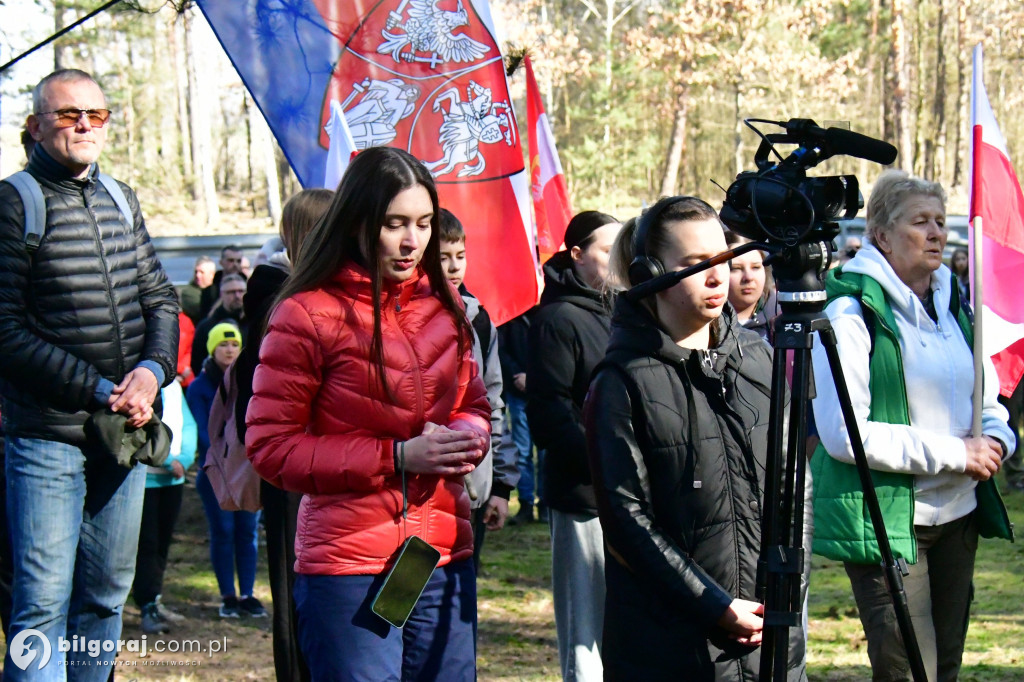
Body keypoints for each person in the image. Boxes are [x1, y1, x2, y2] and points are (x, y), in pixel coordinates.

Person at [245, 146, 490, 681]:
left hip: (437, 554)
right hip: (347, 565)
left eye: (424, 223)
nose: (412, 241)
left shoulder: (446, 305)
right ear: (356, 221)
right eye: (394, 223)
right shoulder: (306, 312)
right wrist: (396, 455)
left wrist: (468, 436)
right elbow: (271, 448)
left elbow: (474, 403)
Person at [0, 68, 179, 677]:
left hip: (122, 437)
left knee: (106, 598)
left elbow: (161, 298)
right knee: (41, 607)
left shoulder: (122, 198)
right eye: (67, 115)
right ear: (34, 127)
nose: (83, 125)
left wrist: (153, 373)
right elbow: (4, 332)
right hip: (46, 437)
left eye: (95, 115)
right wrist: (103, 389)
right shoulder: (13, 201)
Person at [810, 170, 1014, 682]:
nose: (937, 234)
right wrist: (956, 453)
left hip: (959, 517)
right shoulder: (849, 312)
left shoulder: (959, 306)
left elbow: (987, 402)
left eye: (941, 222)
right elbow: (842, 434)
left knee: (944, 668)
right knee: (908, 672)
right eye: (920, 222)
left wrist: (995, 440)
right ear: (881, 234)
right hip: (890, 521)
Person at [583, 196, 795, 681]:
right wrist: (715, 606)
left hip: (770, 635)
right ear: (650, 273)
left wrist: (789, 593)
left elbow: (790, 484)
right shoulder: (620, 381)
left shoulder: (758, 361)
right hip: (668, 645)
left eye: (722, 258)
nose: (719, 277)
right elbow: (626, 521)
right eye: (696, 265)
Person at [232, 187, 333, 682]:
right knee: (296, 586)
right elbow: (258, 392)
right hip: (294, 467)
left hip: (333, 462)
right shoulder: (278, 298)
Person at [527, 209, 621, 682]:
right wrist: (604, 463)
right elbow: (549, 412)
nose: (617, 261)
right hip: (582, 495)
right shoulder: (558, 318)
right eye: (608, 251)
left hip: (630, 498)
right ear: (578, 254)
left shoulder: (626, 311)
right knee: (585, 631)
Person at [438, 208, 519, 570]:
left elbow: (494, 403)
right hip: (418, 491)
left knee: (459, 598)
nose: (455, 267)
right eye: (442, 258)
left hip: (472, 491)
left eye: (460, 256)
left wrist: (500, 485)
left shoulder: (480, 320)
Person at [186, 322, 266, 619]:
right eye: (223, 344)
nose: (230, 349)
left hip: (246, 469)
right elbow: (204, 431)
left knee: (247, 532)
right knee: (223, 531)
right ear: (212, 348)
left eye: (234, 344)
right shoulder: (199, 387)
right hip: (215, 472)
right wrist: (228, 453)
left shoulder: (249, 380)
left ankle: (247, 593)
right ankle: (227, 595)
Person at [132, 379, 197, 634]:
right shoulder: (141, 382)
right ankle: (145, 602)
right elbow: (143, 428)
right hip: (146, 479)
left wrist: (184, 458)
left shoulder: (174, 387)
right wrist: (168, 460)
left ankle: (155, 599)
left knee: (162, 543)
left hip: (173, 481)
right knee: (146, 544)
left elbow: (188, 424)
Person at [498, 309, 543, 524]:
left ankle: (544, 503)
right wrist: (517, 376)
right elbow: (502, 350)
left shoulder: (547, 315)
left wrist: (534, 377)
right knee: (522, 451)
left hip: (544, 393)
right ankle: (526, 503)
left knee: (544, 452)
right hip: (517, 392)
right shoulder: (509, 318)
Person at [191, 273, 248, 377]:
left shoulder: (255, 323)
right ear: (222, 294)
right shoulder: (206, 326)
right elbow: (196, 363)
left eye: (241, 291)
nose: (237, 296)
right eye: (231, 292)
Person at [724, 231, 770, 340]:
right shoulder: (704, 325)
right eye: (736, 268)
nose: (748, 277)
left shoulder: (781, 317)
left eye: (755, 267)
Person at [199, 245, 247, 319]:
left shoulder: (250, 288)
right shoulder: (209, 291)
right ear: (221, 262)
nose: (235, 264)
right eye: (231, 260)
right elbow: (205, 318)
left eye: (238, 261)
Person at [180, 255, 216, 325]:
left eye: (202, 272)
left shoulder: (219, 288)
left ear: (212, 275)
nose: (198, 275)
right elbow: (204, 311)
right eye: (196, 272)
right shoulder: (188, 293)